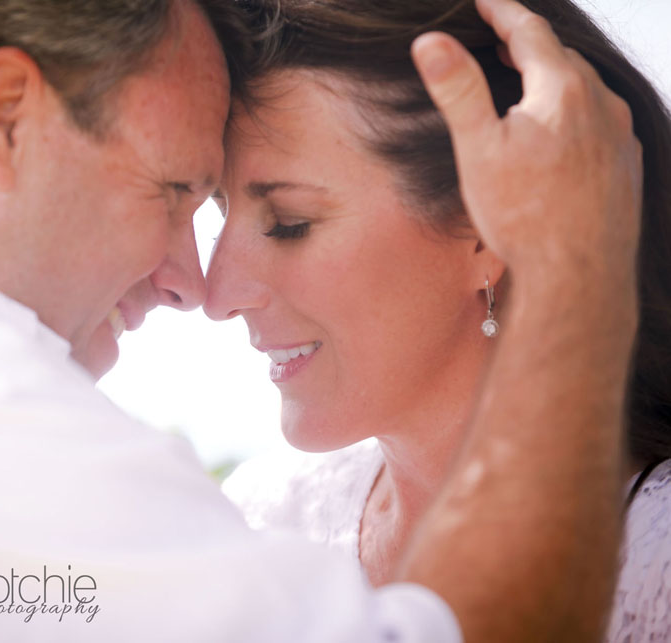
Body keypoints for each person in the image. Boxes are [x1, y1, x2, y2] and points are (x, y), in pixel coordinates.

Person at [0, 0, 641, 641]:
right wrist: (575, 263)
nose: (199, 285)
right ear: (4, 118)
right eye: (175, 190)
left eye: (284, 220)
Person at [204, 0, 669, 640]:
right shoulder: (260, 522)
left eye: (289, 224)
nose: (217, 292)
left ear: (490, 228)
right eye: (216, 210)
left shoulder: (656, 567)